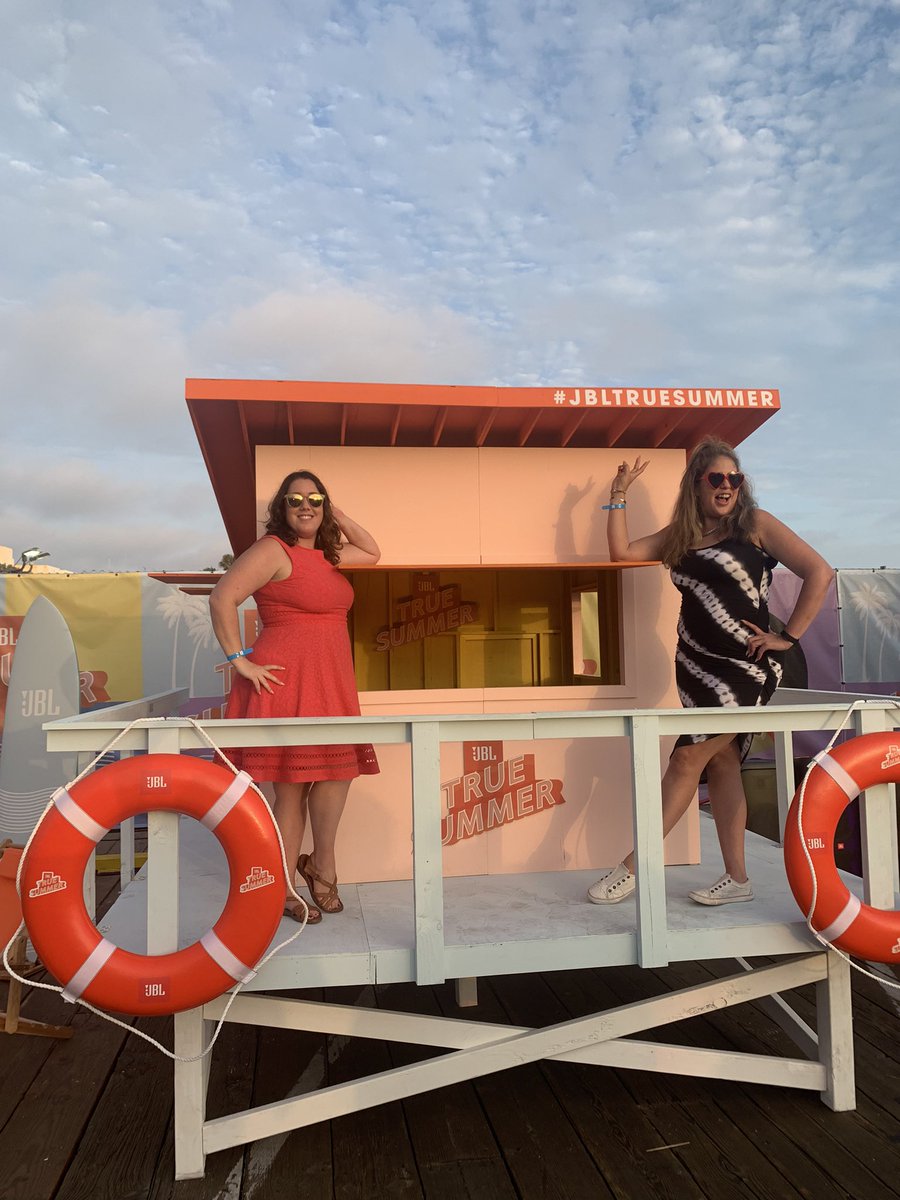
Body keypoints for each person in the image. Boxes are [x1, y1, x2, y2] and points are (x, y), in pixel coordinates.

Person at [587, 437, 832, 906]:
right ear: (696, 486)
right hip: (695, 666)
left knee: (685, 760)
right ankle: (737, 879)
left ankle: (633, 868)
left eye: (734, 479)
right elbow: (622, 553)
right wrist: (619, 494)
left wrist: (790, 637)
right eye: (715, 478)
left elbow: (820, 572)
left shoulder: (755, 526)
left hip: (747, 669)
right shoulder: (680, 537)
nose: (726, 486)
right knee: (721, 762)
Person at [210, 470, 380, 923]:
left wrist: (334, 513)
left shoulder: (330, 555)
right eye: (295, 500)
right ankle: (285, 887)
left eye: (315, 499)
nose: (306, 506)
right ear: (280, 508)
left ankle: (322, 868)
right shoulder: (273, 550)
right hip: (287, 683)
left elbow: (374, 552)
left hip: (332, 683)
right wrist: (239, 660)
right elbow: (222, 597)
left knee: (335, 777)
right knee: (291, 791)